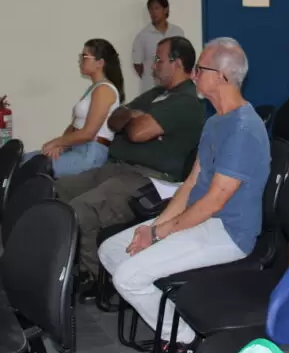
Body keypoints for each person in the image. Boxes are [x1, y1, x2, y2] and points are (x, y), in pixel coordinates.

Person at [99, 38, 270, 353]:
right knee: (112, 251)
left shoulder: (243, 129)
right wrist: (154, 227)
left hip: (227, 231)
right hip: (200, 220)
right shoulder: (216, 121)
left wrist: (159, 233)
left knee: (128, 277)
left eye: (200, 69)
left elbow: (214, 202)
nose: (193, 76)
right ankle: (172, 329)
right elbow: (191, 185)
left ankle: (184, 341)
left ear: (222, 76)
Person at [59, 36, 204, 295]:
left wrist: (134, 119)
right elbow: (114, 119)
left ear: (177, 63)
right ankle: (66, 263)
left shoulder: (186, 101)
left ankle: (96, 279)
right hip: (117, 167)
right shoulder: (157, 94)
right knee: (58, 190)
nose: (153, 65)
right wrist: (133, 116)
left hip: (148, 179)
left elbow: (137, 133)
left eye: (159, 60)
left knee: (81, 209)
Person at [23, 38, 124, 177]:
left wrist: (55, 142)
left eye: (85, 57)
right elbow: (75, 125)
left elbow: (88, 133)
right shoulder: (94, 88)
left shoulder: (104, 90)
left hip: (90, 153)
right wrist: (61, 145)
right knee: (23, 160)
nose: (80, 60)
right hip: (76, 147)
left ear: (100, 63)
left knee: (34, 167)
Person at [133, 0, 185, 93]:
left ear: (165, 10)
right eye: (151, 9)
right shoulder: (143, 35)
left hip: (175, 87)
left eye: (156, 8)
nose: (153, 12)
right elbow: (137, 64)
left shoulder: (177, 32)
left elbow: (182, 58)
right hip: (151, 87)